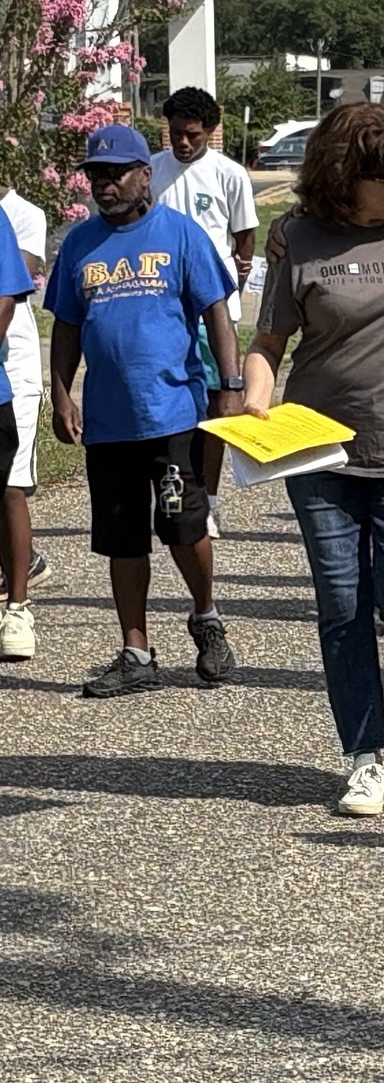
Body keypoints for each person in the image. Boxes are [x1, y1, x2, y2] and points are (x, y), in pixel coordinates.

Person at [244, 104, 384, 817]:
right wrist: (254, 403)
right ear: (345, 176)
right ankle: (366, 758)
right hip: (320, 450)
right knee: (342, 604)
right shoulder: (299, 239)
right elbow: (268, 343)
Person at [44, 124, 242, 698]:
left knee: (183, 525)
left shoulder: (179, 234)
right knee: (121, 537)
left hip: (172, 414)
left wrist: (230, 384)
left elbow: (216, 312)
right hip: (109, 423)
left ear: (144, 175)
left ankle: (205, 616)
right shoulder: (80, 244)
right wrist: (62, 393)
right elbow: (67, 325)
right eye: (96, 176)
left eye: (116, 174)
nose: (104, 185)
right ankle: (136, 652)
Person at [152, 87, 259, 538]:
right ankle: (173, 491)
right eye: (175, 133)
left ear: (211, 132)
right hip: (163, 308)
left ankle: (209, 500)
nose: (182, 142)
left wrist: (230, 286)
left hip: (211, 310)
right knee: (172, 402)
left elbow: (244, 237)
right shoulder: (152, 171)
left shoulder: (229, 174)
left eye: (192, 135)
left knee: (216, 405)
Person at [0, 183, 51, 662]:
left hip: (12, 368)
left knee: (11, 486)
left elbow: (11, 291)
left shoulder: (21, 215)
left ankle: (17, 606)